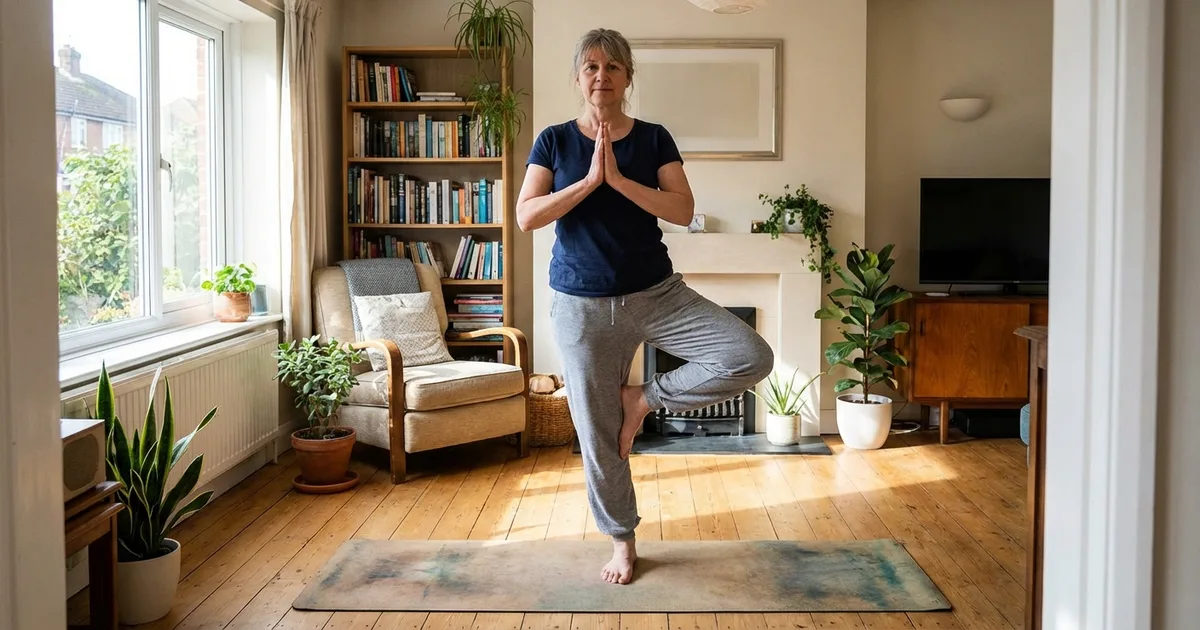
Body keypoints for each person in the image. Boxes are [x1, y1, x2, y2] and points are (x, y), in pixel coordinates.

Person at [515, 27, 774, 586]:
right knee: (597, 434)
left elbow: (681, 209)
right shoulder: (554, 140)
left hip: (657, 295)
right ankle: (622, 540)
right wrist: (588, 182)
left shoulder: (654, 138)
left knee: (750, 354)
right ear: (578, 77)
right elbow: (527, 215)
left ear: (628, 76)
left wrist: (617, 179)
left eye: (612, 66)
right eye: (591, 67)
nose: (601, 76)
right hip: (581, 303)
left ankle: (643, 398)